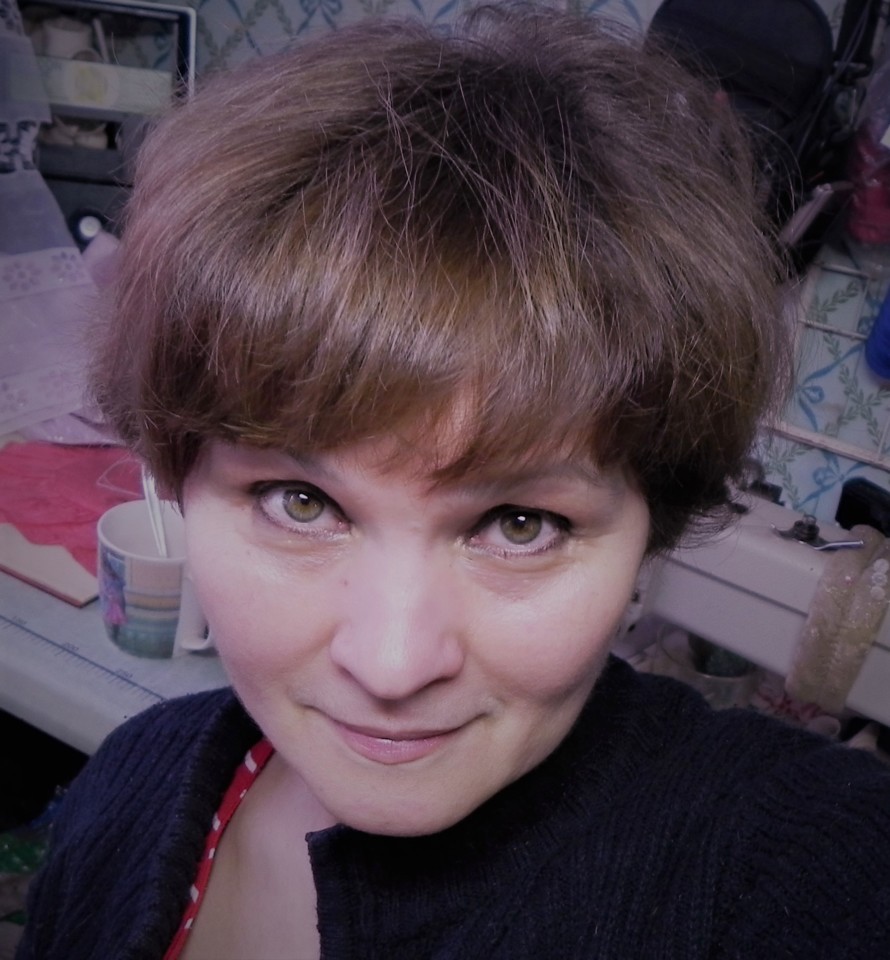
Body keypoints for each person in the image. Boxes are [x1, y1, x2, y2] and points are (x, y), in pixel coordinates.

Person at [17, 4, 890, 958]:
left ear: (653, 523)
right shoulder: (128, 787)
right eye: (300, 503)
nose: (392, 666)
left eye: (520, 523)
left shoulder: (800, 867)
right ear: (177, 482)